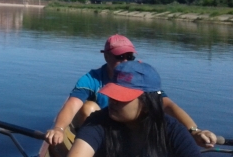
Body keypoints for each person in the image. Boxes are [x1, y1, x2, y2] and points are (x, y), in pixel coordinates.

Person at [45, 34, 216, 149]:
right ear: (105, 56)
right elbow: (73, 104)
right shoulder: (91, 79)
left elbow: (167, 105)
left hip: (136, 129)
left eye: (129, 57)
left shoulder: (140, 76)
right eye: (120, 57)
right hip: (103, 131)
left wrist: (194, 131)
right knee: (88, 107)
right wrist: (59, 128)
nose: (125, 60)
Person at [68, 61, 201, 157]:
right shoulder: (97, 123)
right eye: (112, 93)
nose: (112, 100)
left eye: (121, 97)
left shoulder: (172, 130)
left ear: (147, 103)